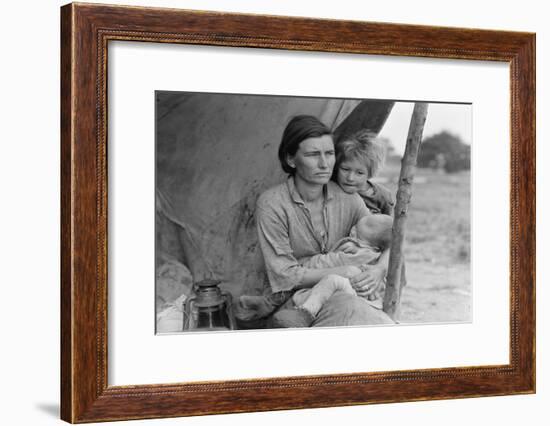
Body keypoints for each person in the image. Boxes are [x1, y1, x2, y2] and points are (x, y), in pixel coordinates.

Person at [239, 115, 394, 327]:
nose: (324, 164)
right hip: (297, 302)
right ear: (291, 159)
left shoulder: (349, 198)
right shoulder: (272, 204)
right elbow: (285, 275)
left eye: (329, 154)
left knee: (357, 309)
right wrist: (343, 271)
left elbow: (387, 241)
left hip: (345, 294)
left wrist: (379, 270)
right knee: (351, 311)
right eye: (313, 154)